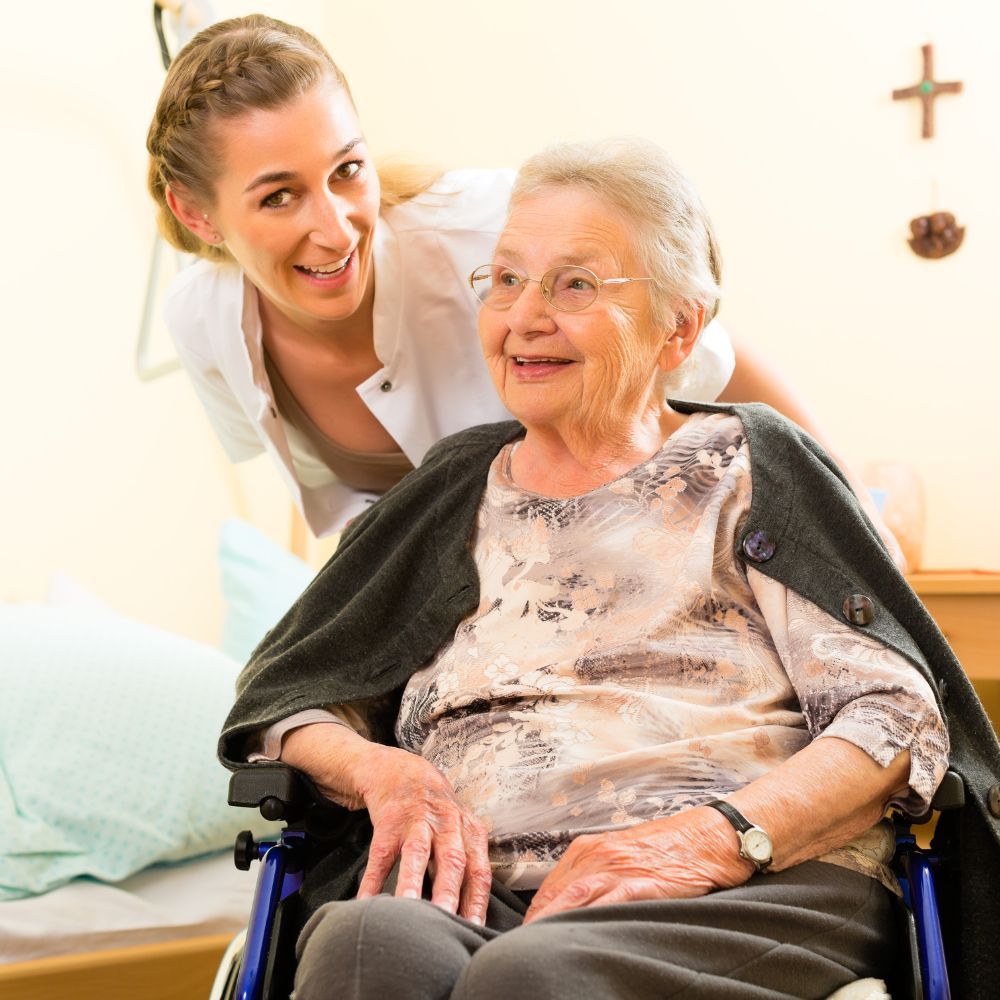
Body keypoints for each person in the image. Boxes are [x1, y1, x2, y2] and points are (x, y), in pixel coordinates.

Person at [219, 137, 1000, 998]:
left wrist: (712, 837)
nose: (524, 316)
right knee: (365, 946)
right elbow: (292, 699)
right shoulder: (451, 487)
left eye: (576, 284)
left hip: (741, 887)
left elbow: (893, 717)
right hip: (478, 888)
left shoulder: (748, 464)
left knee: (533, 977)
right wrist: (384, 771)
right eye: (507, 279)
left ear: (679, 328)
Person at [146, 14, 893, 550]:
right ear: (198, 214)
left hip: (631, 538)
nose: (338, 229)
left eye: (348, 170)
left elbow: (711, 356)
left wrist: (859, 516)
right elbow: (354, 519)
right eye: (279, 196)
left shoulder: (491, 232)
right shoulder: (204, 324)